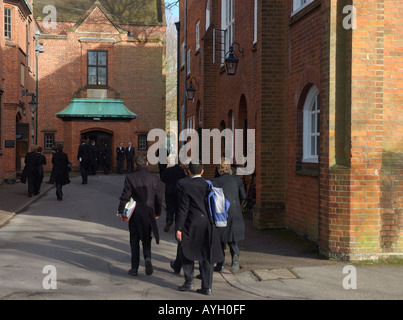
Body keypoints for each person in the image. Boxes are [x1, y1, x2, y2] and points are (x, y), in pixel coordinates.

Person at [176, 161, 224, 295]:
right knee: (207, 255)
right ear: (202, 171)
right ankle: (207, 287)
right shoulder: (211, 184)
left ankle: (189, 281)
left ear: (188, 171)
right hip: (209, 224)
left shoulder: (186, 186)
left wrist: (178, 228)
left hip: (192, 224)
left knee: (187, 251)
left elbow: (183, 210)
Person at [117, 153, 165, 277]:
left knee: (134, 239)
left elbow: (125, 196)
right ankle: (147, 257)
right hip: (149, 211)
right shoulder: (154, 178)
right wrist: (157, 212)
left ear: (135, 164)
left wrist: (121, 211)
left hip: (135, 212)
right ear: (147, 164)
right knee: (146, 237)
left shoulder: (130, 177)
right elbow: (159, 198)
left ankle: (134, 268)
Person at [212, 158, 246, 274]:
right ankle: (235, 258)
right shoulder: (237, 180)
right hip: (235, 211)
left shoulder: (215, 181)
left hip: (221, 211)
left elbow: (214, 199)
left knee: (221, 238)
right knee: (232, 238)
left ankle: (220, 264)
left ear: (219, 168)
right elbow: (243, 196)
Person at [169, 163, 190, 274]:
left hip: (183, 216)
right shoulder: (205, 184)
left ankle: (178, 265)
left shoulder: (181, 184)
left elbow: (176, 202)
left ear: (186, 171)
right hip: (199, 217)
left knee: (181, 243)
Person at [161, 163, 186, 232]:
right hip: (179, 192)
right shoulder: (183, 171)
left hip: (169, 191)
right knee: (178, 208)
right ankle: (178, 225)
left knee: (169, 207)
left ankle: (169, 220)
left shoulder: (168, 170)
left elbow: (163, 179)